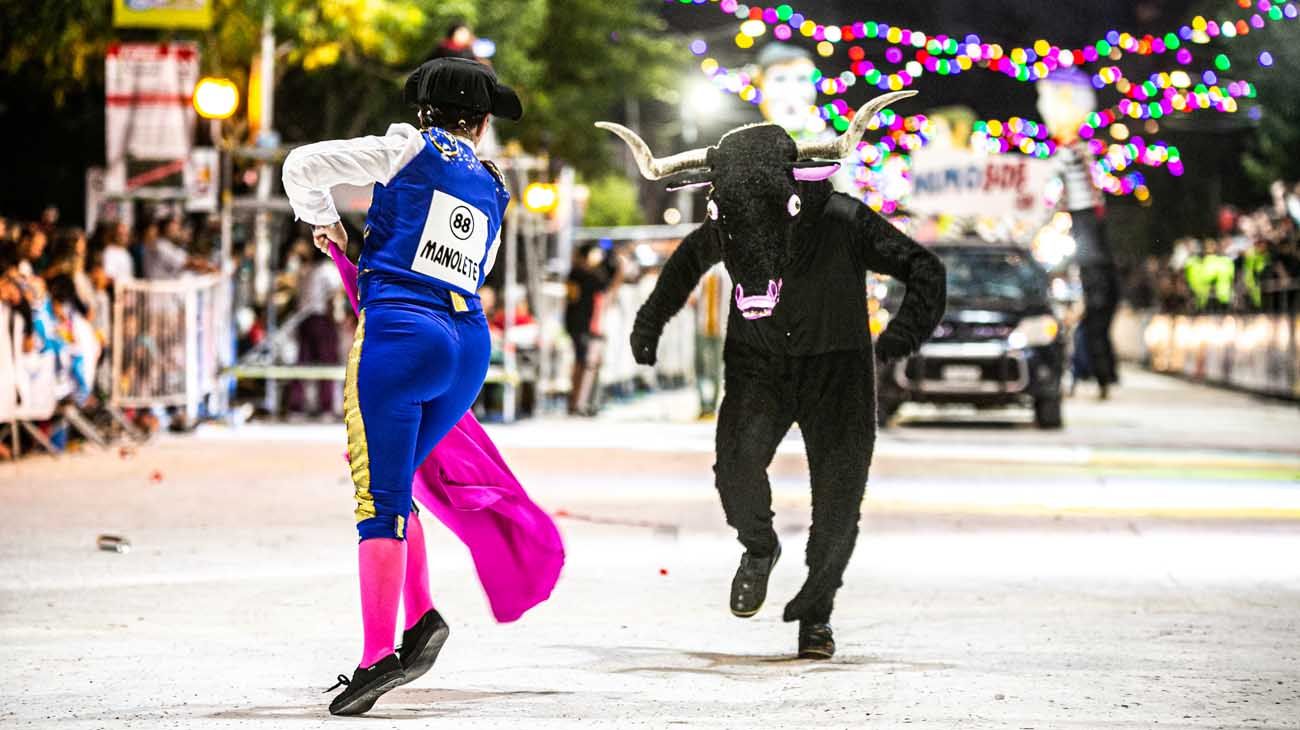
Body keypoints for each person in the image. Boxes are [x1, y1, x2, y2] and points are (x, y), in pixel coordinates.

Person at [282, 56, 522, 716]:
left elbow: (302, 166)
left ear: (425, 112)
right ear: (480, 122)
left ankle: (374, 657)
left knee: (378, 494)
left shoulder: (407, 146)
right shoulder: (494, 183)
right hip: (467, 342)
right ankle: (420, 620)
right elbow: (473, 267)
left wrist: (322, 222)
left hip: (401, 335)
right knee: (404, 478)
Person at [286, 245, 343, 418]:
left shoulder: (306, 270)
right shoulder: (327, 269)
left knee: (303, 361)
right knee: (327, 360)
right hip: (320, 318)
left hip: (305, 319)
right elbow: (336, 294)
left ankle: (296, 407)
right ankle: (326, 407)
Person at [564, 244, 618, 415]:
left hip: (576, 323)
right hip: (582, 324)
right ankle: (577, 401)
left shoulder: (574, 273)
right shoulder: (585, 274)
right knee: (583, 362)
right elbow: (607, 285)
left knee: (582, 361)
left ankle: (577, 401)